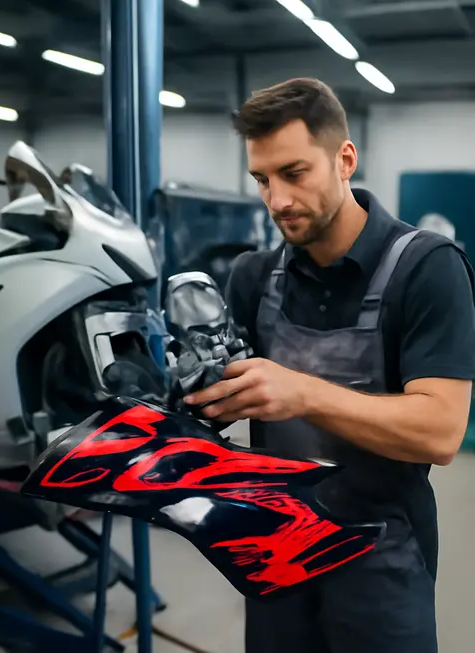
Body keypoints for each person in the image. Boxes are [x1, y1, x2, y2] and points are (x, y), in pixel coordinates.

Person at [183, 77, 475, 653]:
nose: (278, 201)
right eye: (262, 180)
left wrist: (304, 394)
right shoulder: (252, 276)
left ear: (345, 160)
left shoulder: (427, 269)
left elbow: (440, 431)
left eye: (294, 174)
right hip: (273, 551)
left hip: (381, 559)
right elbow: (212, 414)